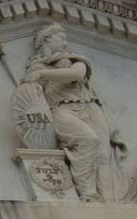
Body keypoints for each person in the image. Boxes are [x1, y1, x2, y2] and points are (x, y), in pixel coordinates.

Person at [10, 24, 124, 202]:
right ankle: (88, 194)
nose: (65, 42)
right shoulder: (34, 67)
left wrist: (42, 74)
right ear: (45, 40)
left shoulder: (76, 60)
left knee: (103, 154)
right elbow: (31, 99)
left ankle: (110, 200)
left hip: (89, 107)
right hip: (60, 109)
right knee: (88, 139)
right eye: (61, 38)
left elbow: (77, 74)